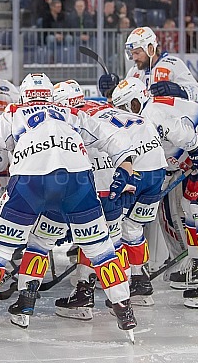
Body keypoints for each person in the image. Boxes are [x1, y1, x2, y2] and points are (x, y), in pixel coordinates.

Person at [0, 73, 139, 344]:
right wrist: (126, 165)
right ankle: (124, 310)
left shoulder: (14, 111)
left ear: (24, 95)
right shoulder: (70, 112)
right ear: (50, 96)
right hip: (77, 179)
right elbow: (113, 136)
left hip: (30, 180)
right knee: (101, 249)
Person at [111, 77, 198, 309]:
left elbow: (181, 134)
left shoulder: (152, 112)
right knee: (189, 207)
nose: (125, 113)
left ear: (136, 102)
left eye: (126, 107)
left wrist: (197, 148)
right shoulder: (150, 110)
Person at [52, 80, 167, 314]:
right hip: (156, 166)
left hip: (126, 170)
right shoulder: (100, 107)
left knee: (94, 231)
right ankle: (139, 281)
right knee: (132, 229)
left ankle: (93, 291)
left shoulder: (75, 119)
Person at [124, 26, 198, 101]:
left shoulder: (173, 64)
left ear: (150, 49)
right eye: (132, 54)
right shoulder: (134, 71)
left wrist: (179, 91)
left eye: (137, 53)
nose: (134, 58)